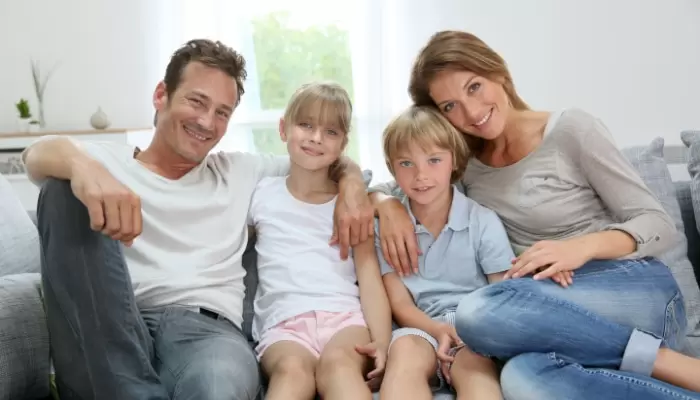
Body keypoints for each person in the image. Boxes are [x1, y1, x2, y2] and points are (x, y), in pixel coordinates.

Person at [21, 39, 374, 400]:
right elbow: (36, 154)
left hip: (207, 334)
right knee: (61, 193)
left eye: (222, 112)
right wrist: (83, 170)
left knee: (215, 385)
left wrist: (355, 188)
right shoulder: (108, 163)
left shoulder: (240, 171)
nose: (207, 122)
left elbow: (323, 161)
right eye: (197, 101)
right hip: (115, 326)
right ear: (162, 95)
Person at [370, 30, 700, 399]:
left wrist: (580, 248)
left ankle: (665, 361)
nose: (471, 111)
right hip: (548, 310)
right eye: (449, 106)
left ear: (499, 73)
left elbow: (658, 224)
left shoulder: (571, 129)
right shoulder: (466, 165)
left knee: (477, 313)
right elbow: (403, 178)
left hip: (635, 292)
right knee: (521, 380)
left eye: (474, 87)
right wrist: (386, 204)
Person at [247, 81, 392, 400]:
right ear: (283, 129)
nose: (315, 138)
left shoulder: (352, 207)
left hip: (344, 319)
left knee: (339, 366)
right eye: (306, 125)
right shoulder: (261, 194)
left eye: (330, 131)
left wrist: (382, 342)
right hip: (283, 323)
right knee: (292, 372)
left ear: (343, 143)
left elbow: (369, 275)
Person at [374, 105, 509, 400]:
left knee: (477, 369)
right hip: (418, 327)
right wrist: (437, 330)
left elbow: (502, 294)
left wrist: (465, 336)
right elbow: (400, 303)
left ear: (454, 162)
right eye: (406, 163)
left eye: (434, 160)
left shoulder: (481, 221)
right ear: (392, 167)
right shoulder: (386, 228)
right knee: (405, 356)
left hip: (471, 329)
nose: (421, 175)